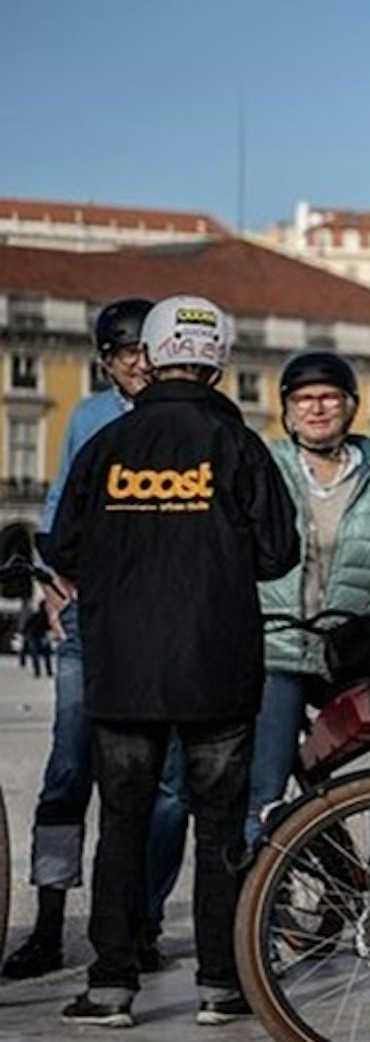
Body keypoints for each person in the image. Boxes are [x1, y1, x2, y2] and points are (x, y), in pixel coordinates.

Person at [41, 294, 299, 1027]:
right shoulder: (239, 444)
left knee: (122, 819)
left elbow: (61, 549)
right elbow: (280, 552)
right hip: (217, 662)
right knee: (220, 825)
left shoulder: (107, 445)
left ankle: (111, 985)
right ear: (220, 361)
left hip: (124, 668)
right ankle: (221, 983)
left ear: (149, 357)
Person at [3, 298, 189, 983]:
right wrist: (54, 580)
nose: (137, 362)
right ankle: (49, 924)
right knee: (67, 770)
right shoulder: (87, 417)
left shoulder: (189, 417)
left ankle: (141, 919)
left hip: (168, 623)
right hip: (94, 618)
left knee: (168, 781)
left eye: (146, 349)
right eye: (122, 352)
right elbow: (57, 510)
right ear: (105, 361)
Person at [245, 351, 370, 843]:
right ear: (288, 410)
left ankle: (368, 878)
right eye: (303, 400)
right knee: (267, 788)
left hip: (348, 648)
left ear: (350, 406)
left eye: (328, 398)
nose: (315, 409)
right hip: (276, 646)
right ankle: (260, 903)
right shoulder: (264, 466)